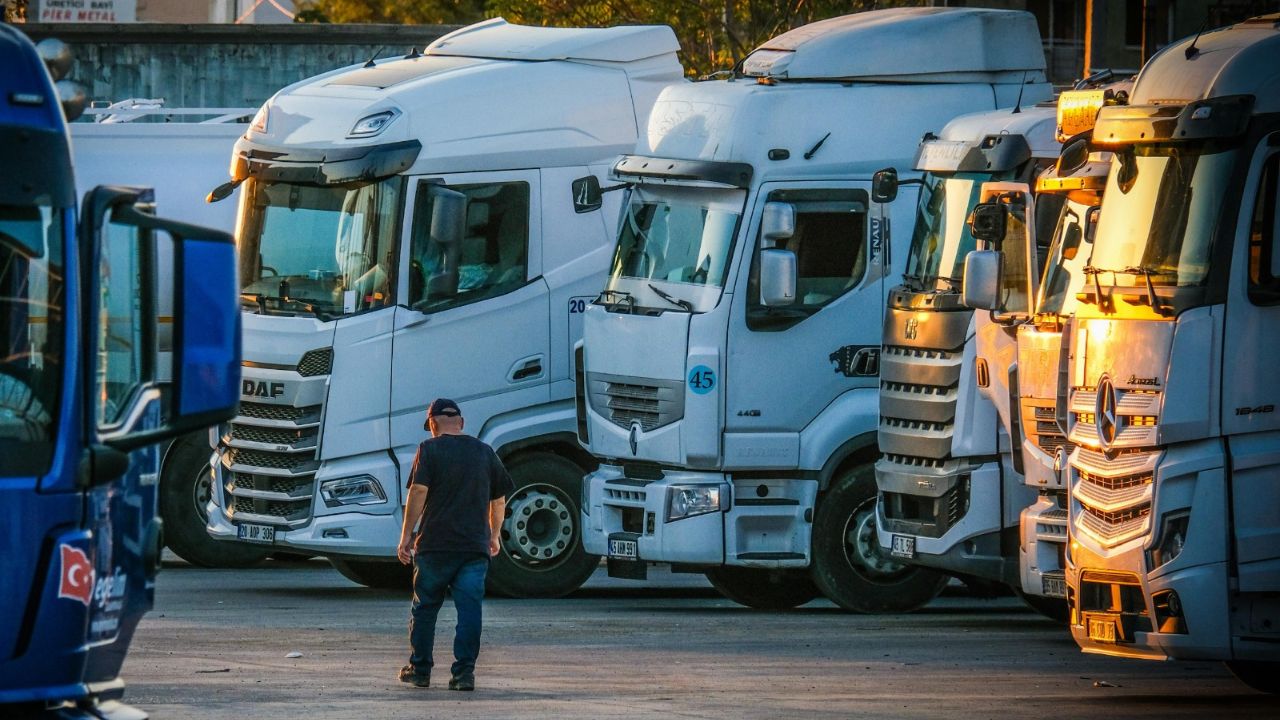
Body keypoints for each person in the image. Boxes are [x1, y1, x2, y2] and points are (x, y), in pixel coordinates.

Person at [396, 398, 513, 691]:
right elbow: (498, 499)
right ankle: (463, 674)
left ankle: (420, 670)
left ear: (433, 425)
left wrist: (406, 536)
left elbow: (419, 490)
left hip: (435, 546)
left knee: (425, 608)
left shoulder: (429, 449)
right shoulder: (485, 452)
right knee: (469, 610)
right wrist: (494, 535)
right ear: (461, 423)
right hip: (473, 548)